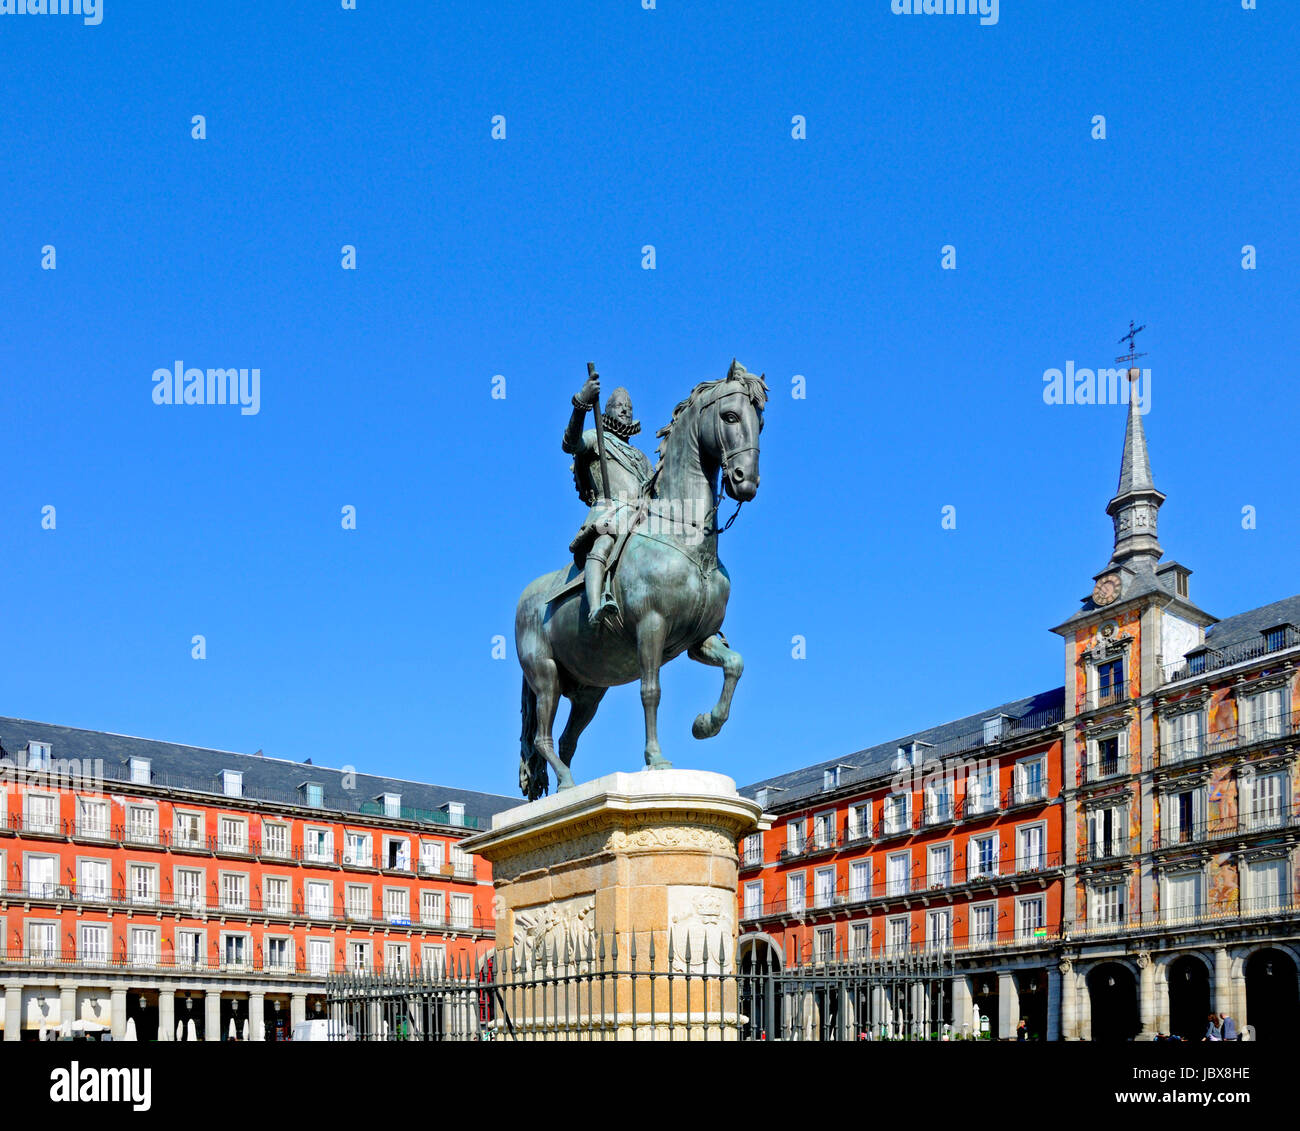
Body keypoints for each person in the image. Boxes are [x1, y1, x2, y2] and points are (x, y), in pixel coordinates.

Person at [561, 371, 652, 626]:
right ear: (608, 409)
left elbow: (653, 488)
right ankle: (595, 606)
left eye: (629, 408)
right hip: (609, 512)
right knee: (603, 544)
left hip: (639, 516)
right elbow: (571, 443)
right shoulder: (597, 438)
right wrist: (581, 403)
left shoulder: (641, 458)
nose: (625, 411)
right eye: (619, 406)